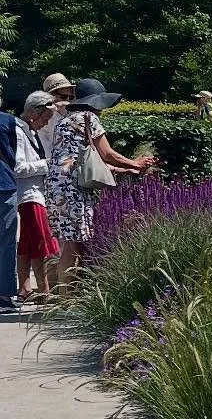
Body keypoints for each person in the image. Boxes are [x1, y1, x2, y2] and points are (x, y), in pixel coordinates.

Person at [48, 78, 157, 290]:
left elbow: (84, 159)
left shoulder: (63, 121)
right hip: (74, 190)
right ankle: (65, 298)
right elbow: (107, 153)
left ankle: (63, 294)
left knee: (68, 241)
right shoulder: (89, 118)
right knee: (73, 244)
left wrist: (126, 169)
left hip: (57, 187)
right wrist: (135, 162)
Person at [17, 93, 61, 301]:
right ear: (34, 112)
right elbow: (18, 167)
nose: (45, 124)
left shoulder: (31, 133)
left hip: (34, 194)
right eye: (45, 118)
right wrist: (49, 164)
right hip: (29, 196)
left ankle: (25, 288)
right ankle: (44, 289)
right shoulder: (19, 132)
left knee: (27, 244)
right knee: (41, 243)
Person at [0, 95, 18, 315]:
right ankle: (4, 295)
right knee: (5, 242)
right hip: (4, 183)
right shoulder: (7, 121)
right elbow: (12, 154)